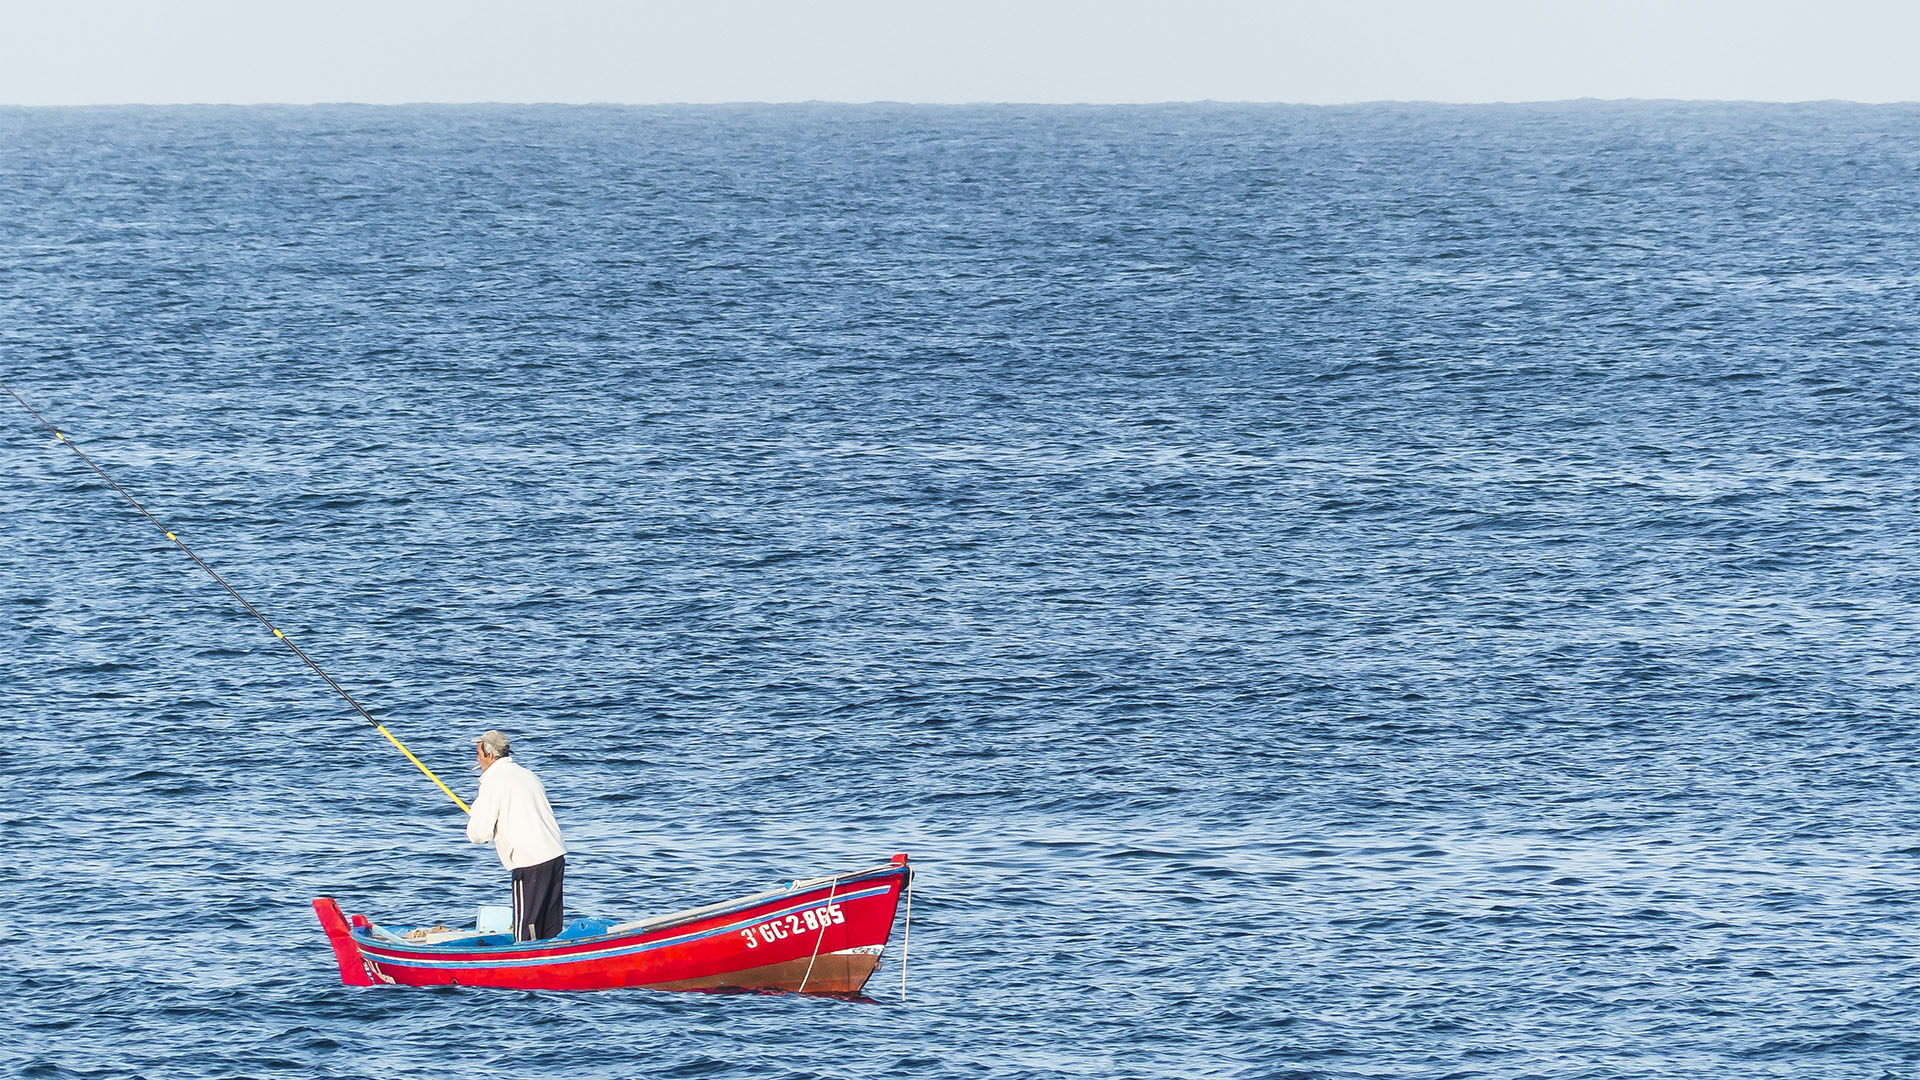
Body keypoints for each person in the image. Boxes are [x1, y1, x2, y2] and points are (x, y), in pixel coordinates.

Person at [466, 729, 567, 942]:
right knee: (550, 926)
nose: (477, 757)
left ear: (489, 755)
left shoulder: (493, 782)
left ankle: (525, 965)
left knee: (526, 929)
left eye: (478, 752)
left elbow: (479, 834)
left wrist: (475, 818)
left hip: (529, 861)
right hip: (555, 854)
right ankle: (551, 966)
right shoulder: (526, 774)